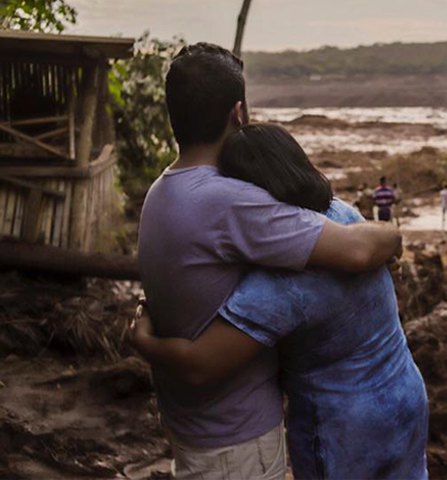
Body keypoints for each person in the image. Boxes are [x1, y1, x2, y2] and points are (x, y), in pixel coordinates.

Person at [137, 44, 402, 480]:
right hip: (238, 442)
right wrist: (393, 237)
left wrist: (143, 338)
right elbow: (358, 250)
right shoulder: (229, 202)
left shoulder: (162, 192)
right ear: (238, 113)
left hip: (190, 427)